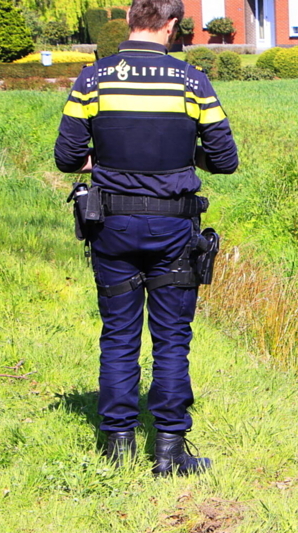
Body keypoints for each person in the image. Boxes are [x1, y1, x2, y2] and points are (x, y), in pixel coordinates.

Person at [54, 0, 239, 475]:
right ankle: (170, 451)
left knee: (118, 335)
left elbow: (67, 157)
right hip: (173, 228)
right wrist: (184, 156)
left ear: (131, 19)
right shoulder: (191, 81)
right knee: (172, 338)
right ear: (172, 24)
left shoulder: (94, 79)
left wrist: (107, 162)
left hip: (111, 225)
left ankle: (118, 449)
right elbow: (225, 160)